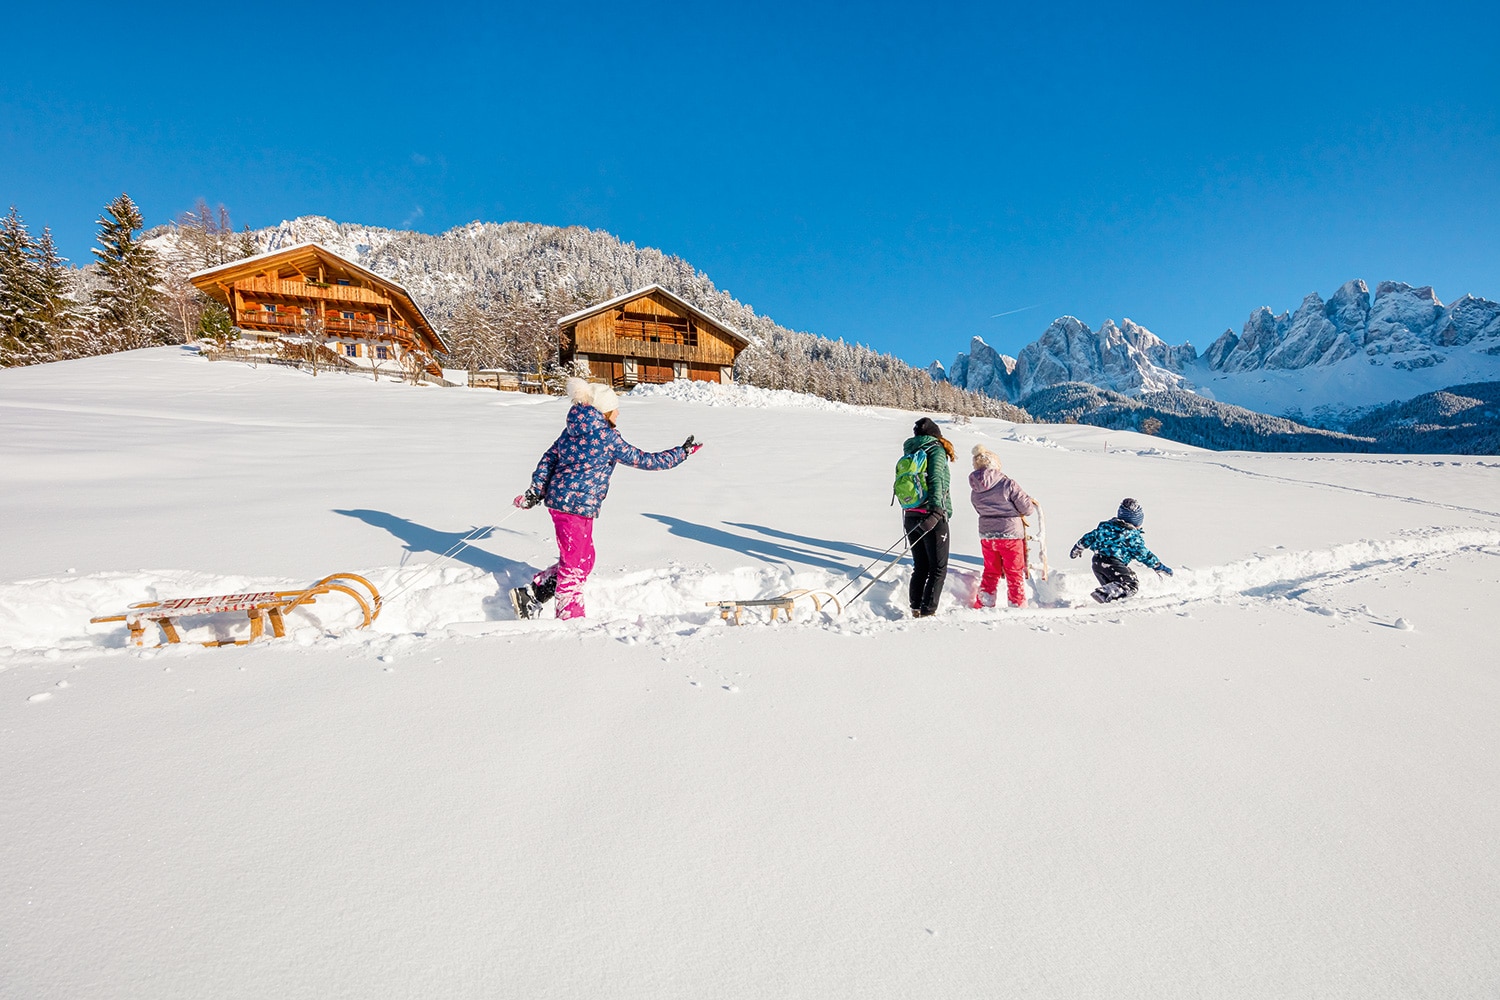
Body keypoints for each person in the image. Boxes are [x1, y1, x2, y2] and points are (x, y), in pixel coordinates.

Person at [511, 378, 700, 620]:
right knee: (575, 566)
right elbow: (646, 460)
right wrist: (681, 453)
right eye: (615, 408)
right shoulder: (606, 438)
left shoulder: (571, 431)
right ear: (604, 411)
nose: (618, 413)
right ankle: (570, 619)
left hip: (572, 506)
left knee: (585, 559)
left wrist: (536, 490)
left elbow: (548, 460)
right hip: (573, 508)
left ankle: (532, 595)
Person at [968, 445, 1037, 609]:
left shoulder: (975, 488)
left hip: (987, 534)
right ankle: (1017, 604)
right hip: (1010, 534)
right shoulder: (1007, 483)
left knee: (991, 571)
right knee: (1014, 573)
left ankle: (984, 603)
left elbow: (979, 509)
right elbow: (1027, 509)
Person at [900, 417, 955, 617]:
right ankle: (928, 612)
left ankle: (915, 607)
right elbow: (935, 480)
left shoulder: (911, 450)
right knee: (938, 568)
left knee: (920, 566)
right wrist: (937, 510)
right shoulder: (936, 450)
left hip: (911, 513)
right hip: (932, 515)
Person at [1069, 498, 1173, 603]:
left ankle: (1107, 602)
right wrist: (1158, 566)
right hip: (1113, 563)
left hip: (1097, 562)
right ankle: (1102, 594)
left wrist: (1079, 547)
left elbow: (1089, 537)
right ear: (1136, 522)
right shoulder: (1131, 536)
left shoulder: (1105, 528)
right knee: (1131, 585)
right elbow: (1144, 554)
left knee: (1116, 587)